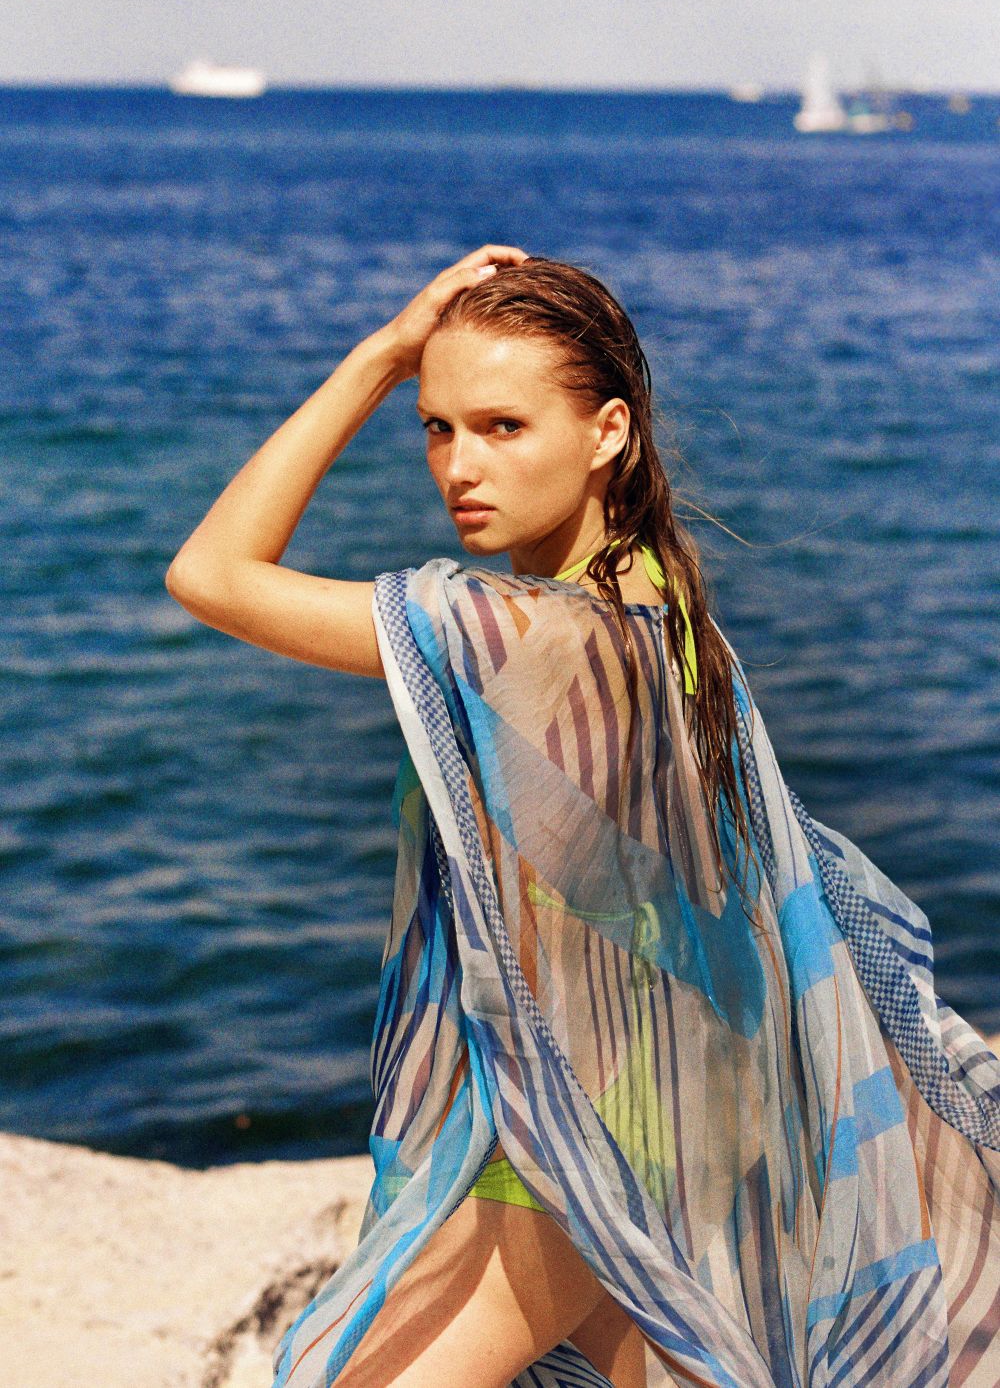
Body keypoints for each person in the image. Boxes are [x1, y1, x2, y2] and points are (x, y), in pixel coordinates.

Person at [166, 246, 1000, 1388]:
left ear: (608, 430)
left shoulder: (535, 630)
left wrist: (376, 358)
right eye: (435, 426)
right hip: (693, 1099)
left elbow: (211, 572)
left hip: (598, 1132)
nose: (459, 465)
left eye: (503, 427)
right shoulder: (660, 596)